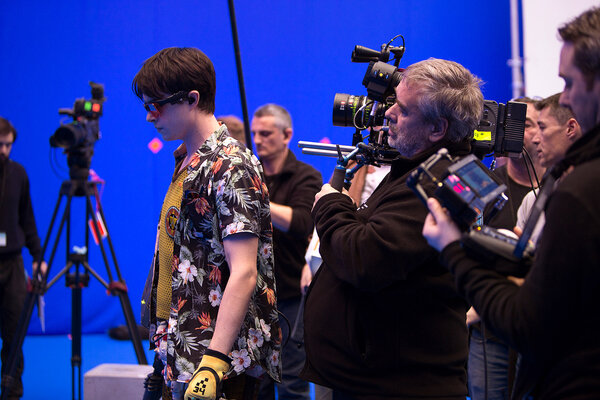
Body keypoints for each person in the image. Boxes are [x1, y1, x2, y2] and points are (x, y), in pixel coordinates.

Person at [422, 7, 600, 398]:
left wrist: (455, 250)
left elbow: (527, 323)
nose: (565, 97)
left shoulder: (581, 191)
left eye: (569, 83)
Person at [302, 58, 484, 399]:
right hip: (379, 377)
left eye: (402, 109)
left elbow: (362, 258)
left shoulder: (436, 184)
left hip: (398, 384)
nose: (387, 114)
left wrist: (329, 203)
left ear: (437, 129)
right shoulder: (418, 169)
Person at [133, 47, 281, 400]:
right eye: (146, 106)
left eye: (157, 105)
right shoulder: (187, 158)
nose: (151, 116)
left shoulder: (232, 165)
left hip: (220, 362)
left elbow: (243, 271)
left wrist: (214, 361)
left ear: (192, 99)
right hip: (182, 348)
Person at [467, 97, 546, 400]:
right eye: (512, 124)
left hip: (538, 328)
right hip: (491, 327)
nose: (520, 133)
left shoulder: (554, 189)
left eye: (527, 124)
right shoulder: (484, 184)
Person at [250, 104, 322, 400]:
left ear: (286, 135)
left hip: (291, 293)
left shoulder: (306, 176)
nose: (258, 139)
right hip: (253, 294)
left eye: (265, 133)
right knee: (257, 381)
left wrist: (253, 197)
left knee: (292, 380)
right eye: (254, 133)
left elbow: (302, 221)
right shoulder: (250, 173)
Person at [0, 117, 45, 400]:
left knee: (15, 331)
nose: (4, 150)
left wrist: (38, 256)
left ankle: (11, 391)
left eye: (8, 145)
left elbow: (27, 218)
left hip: (13, 264)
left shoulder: (18, 173)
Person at [515, 93, 582, 244]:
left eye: (543, 128)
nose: (536, 139)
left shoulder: (589, 193)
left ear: (570, 128)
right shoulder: (532, 201)